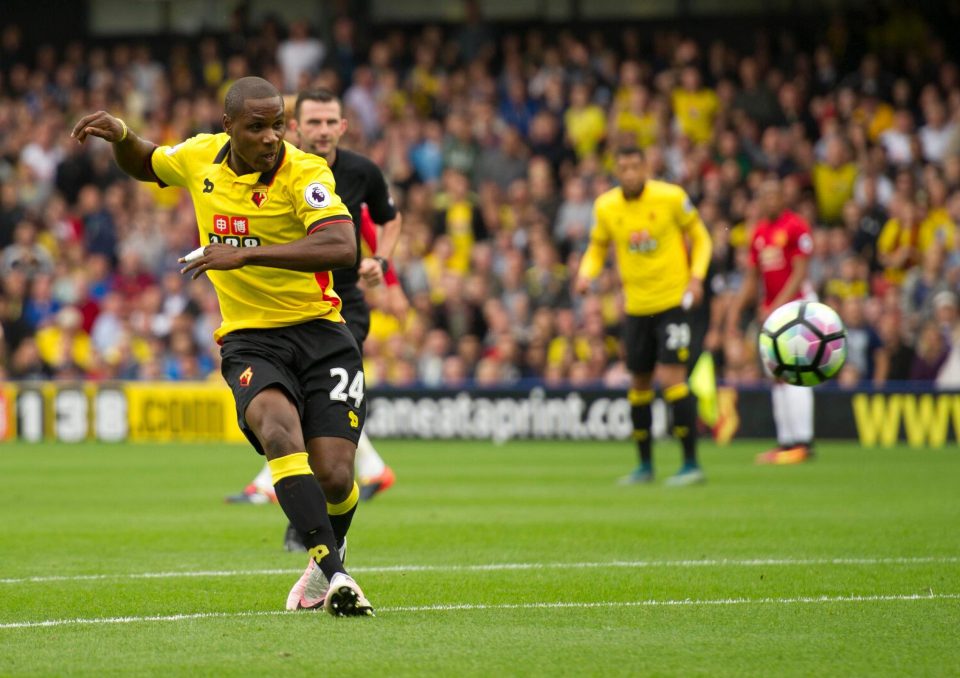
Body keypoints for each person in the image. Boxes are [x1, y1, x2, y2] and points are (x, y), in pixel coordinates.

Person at [71, 77, 374, 616]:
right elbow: (145, 162)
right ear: (228, 125)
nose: (272, 137)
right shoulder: (200, 156)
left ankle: (331, 551)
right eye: (257, 127)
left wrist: (248, 254)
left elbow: (342, 244)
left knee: (335, 475)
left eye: (278, 124)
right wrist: (121, 134)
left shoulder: (305, 171)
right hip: (250, 339)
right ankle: (335, 574)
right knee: (279, 431)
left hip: (321, 333)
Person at [227, 89, 402, 526]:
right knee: (299, 406)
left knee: (308, 401)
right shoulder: (276, 167)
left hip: (339, 308)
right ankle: (372, 471)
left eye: (331, 122)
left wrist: (382, 261)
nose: (323, 130)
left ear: (342, 126)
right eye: (314, 122)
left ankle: (282, 496)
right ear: (297, 127)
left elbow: (386, 218)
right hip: (283, 306)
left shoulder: (362, 170)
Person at [575, 146, 712, 486]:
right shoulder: (606, 206)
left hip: (672, 302)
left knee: (672, 377)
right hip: (635, 308)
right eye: (624, 167)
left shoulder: (670, 197)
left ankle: (691, 463)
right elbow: (597, 246)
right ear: (616, 170)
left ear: (646, 167)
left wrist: (696, 276)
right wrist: (585, 273)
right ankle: (645, 466)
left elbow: (702, 237)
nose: (631, 173)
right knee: (638, 383)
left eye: (636, 166)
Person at [725, 177, 816, 464]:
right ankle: (786, 442)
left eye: (776, 194)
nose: (771, 199)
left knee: (797, 374)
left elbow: (800, 272)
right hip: (772, 312)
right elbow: (753, 278)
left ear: (783, 197)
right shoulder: (759, 232)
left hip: (798, 307)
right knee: (777, 376)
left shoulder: (796, 226)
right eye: (766, 195)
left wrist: (777, 306)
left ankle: (803, 442)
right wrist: (736, 309)